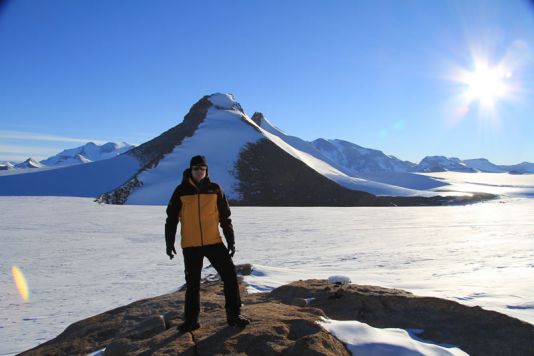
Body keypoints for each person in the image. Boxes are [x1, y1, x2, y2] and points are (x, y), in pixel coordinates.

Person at [165, 155, 250, 332]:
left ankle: (233, 315)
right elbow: (172, 219)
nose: (199, 172)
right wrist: (169, 242)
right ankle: (191, 321)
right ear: (190, 170)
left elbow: (225, 217)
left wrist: (230, 240)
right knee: (193, 283)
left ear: (206, 170)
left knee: (229, 275)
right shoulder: (181, 191)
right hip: (190, 244)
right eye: (196, 169)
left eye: (203, 169)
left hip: (213, 241)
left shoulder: (215, 189)